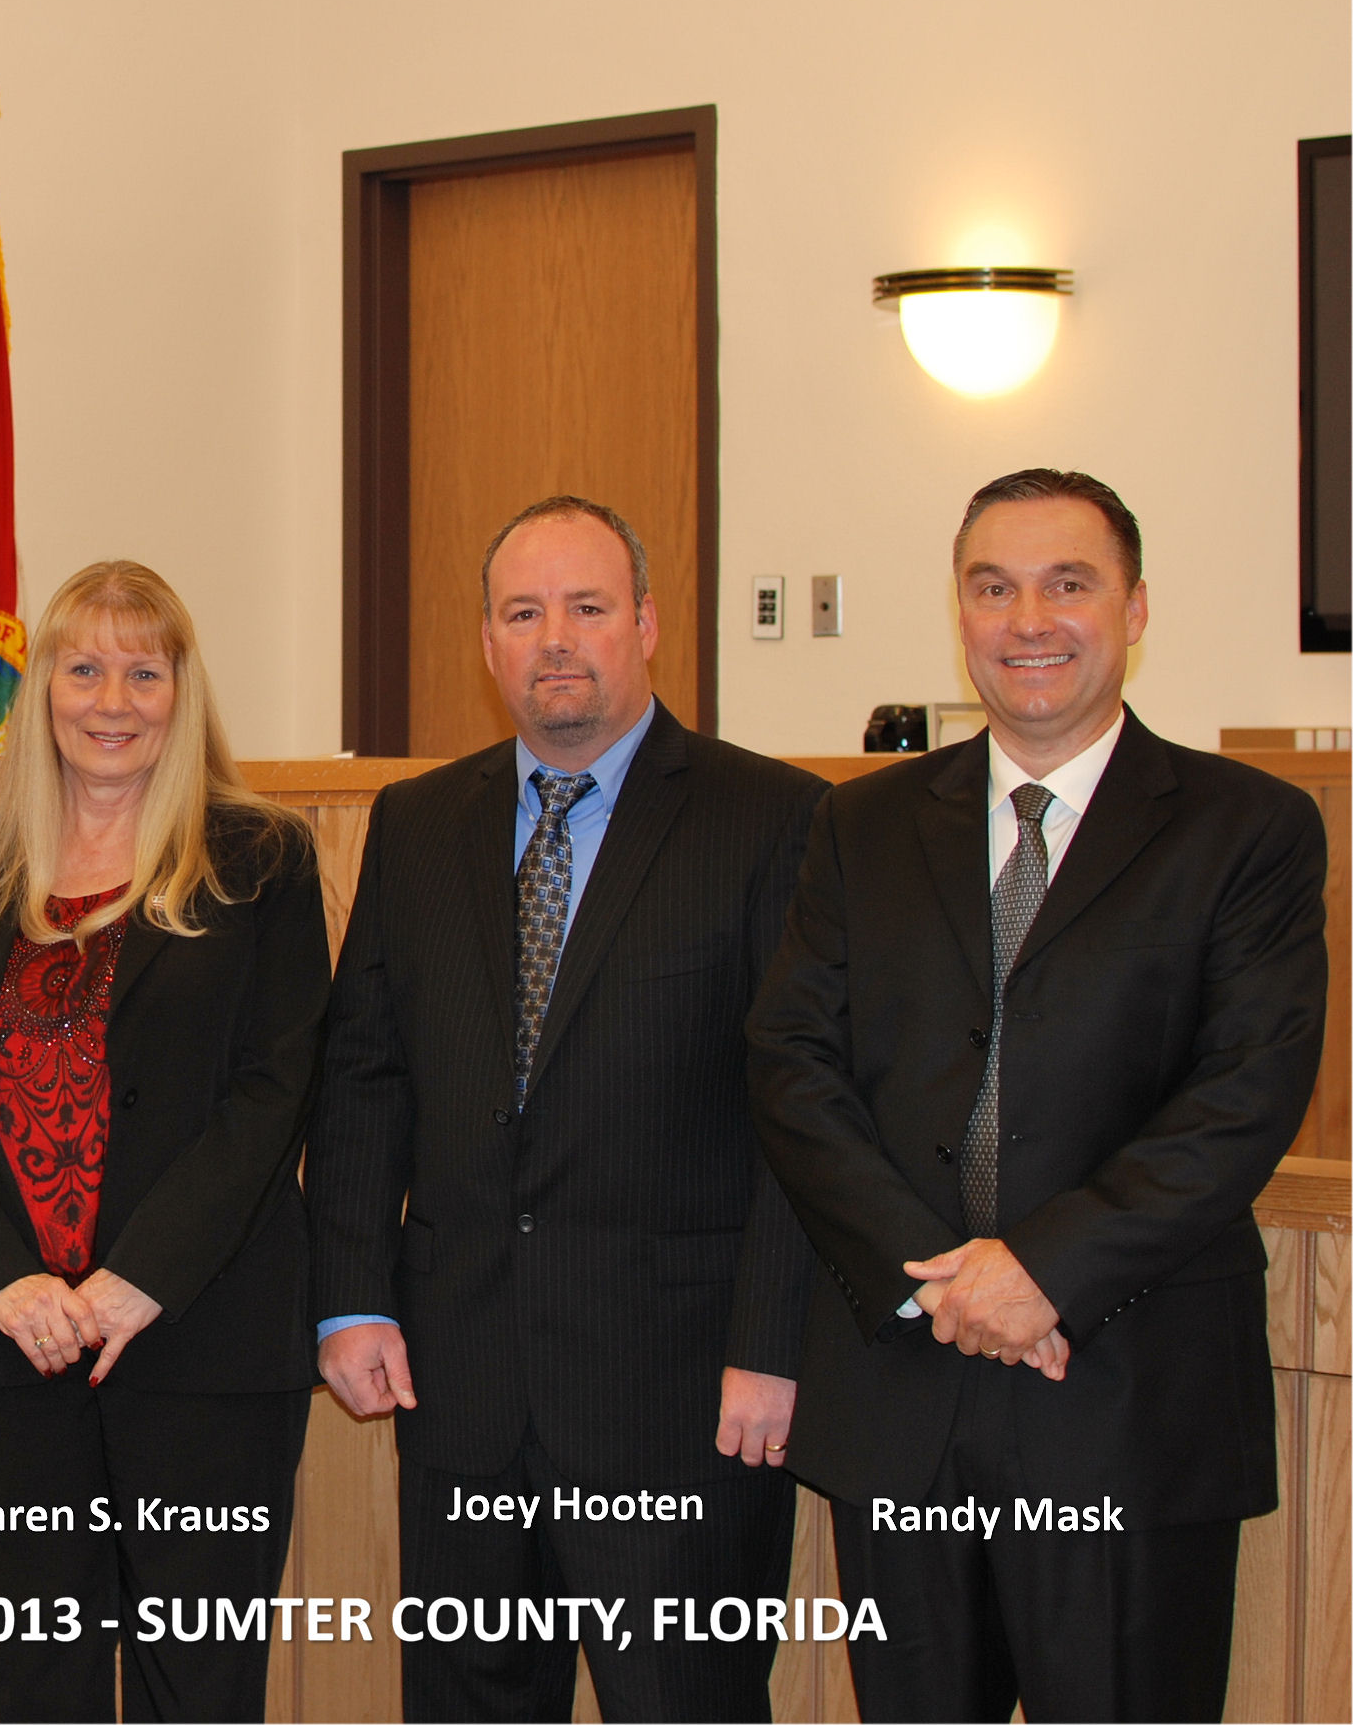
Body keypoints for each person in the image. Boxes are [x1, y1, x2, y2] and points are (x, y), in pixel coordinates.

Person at [746, 469, 1328, 1722]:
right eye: (993, 587)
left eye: (1069, 584)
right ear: (957, 613)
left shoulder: (1248, 830)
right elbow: (793, 1068)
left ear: (1133, 608)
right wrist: (938, 1276)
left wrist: (1039, 1273)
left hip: (1126, 1402)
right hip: (904, 1398)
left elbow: (1245, 1091)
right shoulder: (858, 828)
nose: (1029, 619)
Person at [306, 497, 825, 1722]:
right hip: (461, 1390)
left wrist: (773, 1340)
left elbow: (803, 1114)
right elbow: (363, 1077)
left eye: (587, 608)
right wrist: (351, 1292)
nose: (555, 639)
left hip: (685, 1400)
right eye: (522, 612)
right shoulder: (418, 825)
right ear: (485, 643)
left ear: (644, 625)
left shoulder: (773, 820)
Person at [0, 560, 326, 1722]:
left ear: (184, 691)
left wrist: (142, 1280)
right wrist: (0, 1283)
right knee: (40, 1687)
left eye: (144, 671)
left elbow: (275, 1088)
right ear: (41, 692)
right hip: (15, 1352)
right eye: (82, 669)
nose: (112, 700)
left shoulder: (258, 862)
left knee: (200, 1688)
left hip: (204, 1343)